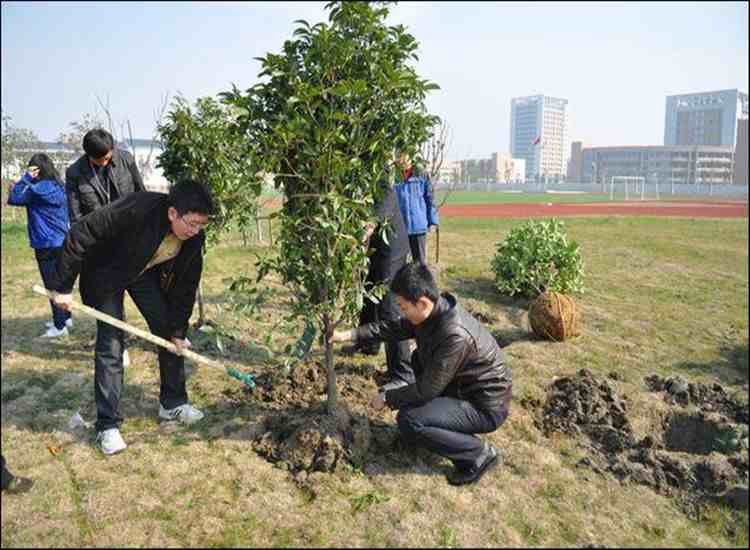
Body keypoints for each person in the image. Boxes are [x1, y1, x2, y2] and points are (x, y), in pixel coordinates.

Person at [47, 178, 215, 455]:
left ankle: (172, 404)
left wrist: (178, 331)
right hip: (105, 272)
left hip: (141, 272)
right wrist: (62, 287)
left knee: (167, 333)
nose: (195, 231)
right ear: (173, 212)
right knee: (112, 342)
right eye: (191, 223)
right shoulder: (137, 208)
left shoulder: (193, 239)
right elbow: (82, 231)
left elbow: (186, 285)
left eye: (201, 225)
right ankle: (107, 426)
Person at [331, 262, 512, 485]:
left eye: (403, 307)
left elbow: (427, 389)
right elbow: (393, 328)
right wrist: (349, 334)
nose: (402, 313)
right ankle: (439, 425)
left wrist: (387, 397)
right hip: (463, 388)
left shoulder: (454, 335)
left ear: (422, 302)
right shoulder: (433, 312)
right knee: (417, 367)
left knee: (410, 420)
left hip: (485, 406)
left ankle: (477, 454)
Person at [65, 128, 146, 366]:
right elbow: (76, 218)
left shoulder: (126, 159)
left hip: (131, 244)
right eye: (103, 159)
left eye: (110, 155)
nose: (108, 161)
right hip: (100, 250)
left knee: (148, 296)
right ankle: (116, 347)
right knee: (109, 304)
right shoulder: (75, 173)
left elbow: (141, 194)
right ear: (89, 156)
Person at [342, 173, 415, 391]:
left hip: (390, 247)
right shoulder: (352, 170)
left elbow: (384, 200)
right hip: (375, 246)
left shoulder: (377, 172)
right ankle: (368, 344)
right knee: (368, 293)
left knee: (389, 305)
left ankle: (403, 373)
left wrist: (368, 227)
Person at [7, 153, 73, 338]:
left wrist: (26, 178)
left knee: (51, 286)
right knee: (62, 282)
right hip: (63, 241)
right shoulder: (60, 187)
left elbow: (13, 197)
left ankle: (60, 327)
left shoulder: (34, 191)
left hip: (44, 243)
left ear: (35, 170)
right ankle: (66, 317)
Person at [394, 153, 439, 265]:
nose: (403, 159)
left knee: (420, 264)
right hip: (400, 228)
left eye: (405, 156)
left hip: (418, 227)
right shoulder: (393, 176)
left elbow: (430, 199)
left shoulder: (421, 174)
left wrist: (432, 221)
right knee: (399, 263)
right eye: (400, 156)